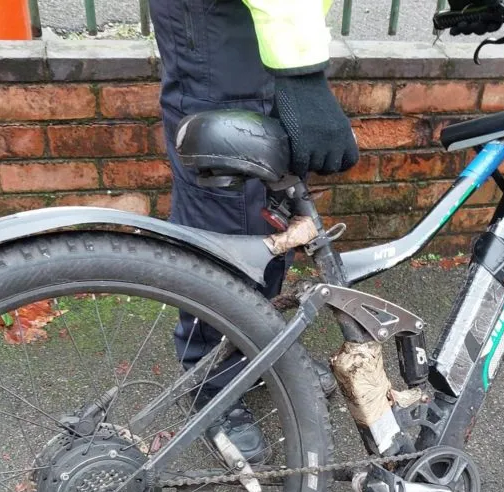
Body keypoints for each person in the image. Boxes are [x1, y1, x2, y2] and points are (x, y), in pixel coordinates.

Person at [148, 0, 359, 463]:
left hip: (258, 20)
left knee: (269, 198)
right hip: (220, 19)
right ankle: (213, 382)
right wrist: (300, 73)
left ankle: (256, 347)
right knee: (225, 205)